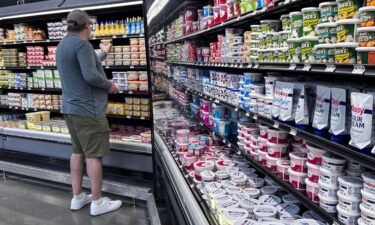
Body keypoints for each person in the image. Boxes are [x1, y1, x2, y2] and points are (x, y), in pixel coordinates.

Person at [56, 10, 122, 216]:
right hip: (88, 110)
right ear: (86, 26)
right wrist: (109, 85)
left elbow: (82, 67)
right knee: (93, 156)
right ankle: (98, 202)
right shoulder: (82, 45)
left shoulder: (63, 44)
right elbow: (90, 75)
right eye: (91, 26)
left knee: (77, 152)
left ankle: (77, 197)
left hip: (70, 108)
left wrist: (102, 53)